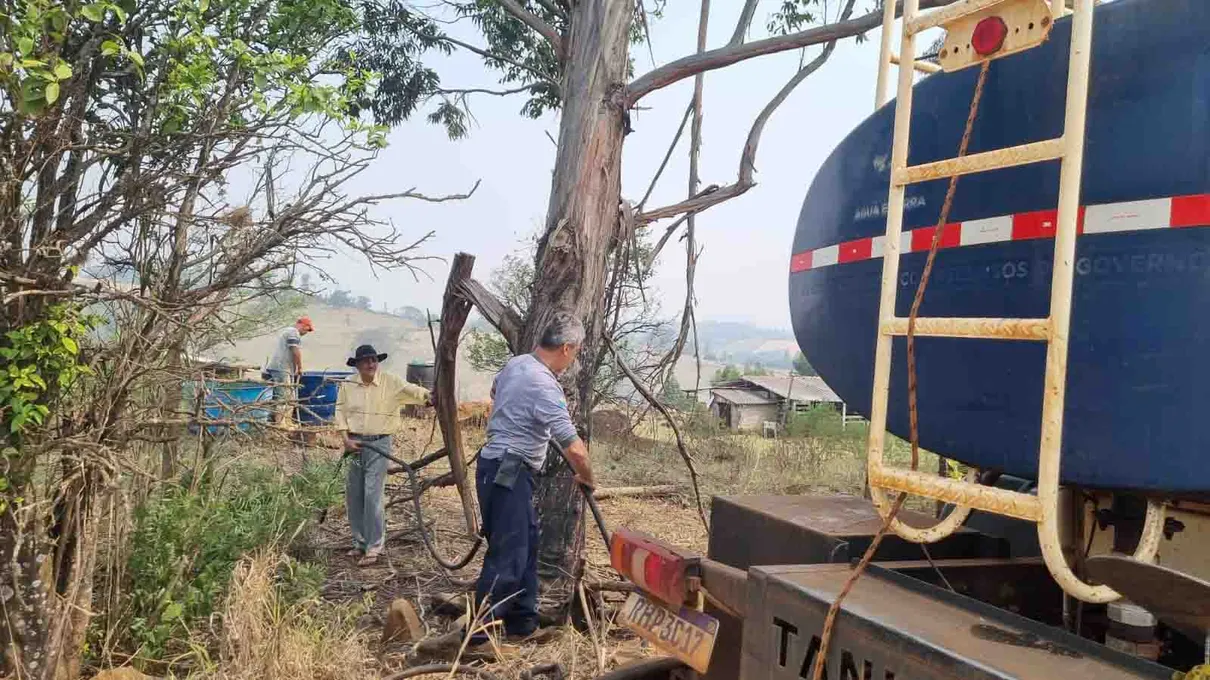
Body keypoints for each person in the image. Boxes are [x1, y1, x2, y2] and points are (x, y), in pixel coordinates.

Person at [472, 311, 595, 641]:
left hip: (502, 470)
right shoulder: (544, 384)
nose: (573, 360)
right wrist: (587, 478)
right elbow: (576, 450)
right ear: (567, 348)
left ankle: (522, 624)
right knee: (509, 556)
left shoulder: (517, 365)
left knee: (526, 547)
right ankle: (477, 637)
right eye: (577, 352)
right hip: (507, 471)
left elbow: (496, 391)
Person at [333, 344, 430, 566]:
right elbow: (340, 412)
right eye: (366, 360)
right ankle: (359, 542)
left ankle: (374, 546)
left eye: (374, 360)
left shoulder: (390, 381)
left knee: (372, 493)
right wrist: (345, 439)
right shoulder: (348, 385)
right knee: (354, 494)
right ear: (357, 364)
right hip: (355, 443)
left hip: (379, 443)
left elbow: (413, 391)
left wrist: (430, 396)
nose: (371, 364)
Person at [263, 316, 313, 425]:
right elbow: (295, 350)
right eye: (307, 329)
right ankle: (282, 424)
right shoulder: (293, 332)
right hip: (281, 368)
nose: (306, 332)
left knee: (280, 396)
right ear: (302, 325)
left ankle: (280, 422)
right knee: (285, 397)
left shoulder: (288, 332)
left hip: (277, 368)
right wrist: (299, 367)